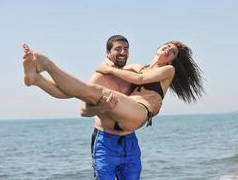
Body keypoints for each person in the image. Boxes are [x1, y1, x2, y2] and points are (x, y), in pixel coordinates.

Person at [22, 35, 147, 179]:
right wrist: (102, 107)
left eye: (126, 49)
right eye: (118, 49)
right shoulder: (100, 77)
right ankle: (40, 74)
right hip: (106, 142)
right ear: (108, 53)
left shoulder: (131, 76)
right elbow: (83, 110)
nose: (123, 52)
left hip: (130, 142)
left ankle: (37, 79)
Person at [23, 40, 203, 132]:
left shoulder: (168, 70)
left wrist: (110, 70)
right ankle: (37, 80)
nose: (168, 50)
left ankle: (47, 64)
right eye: (167, 46)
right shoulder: (140, 66)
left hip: (140, 112)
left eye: (172, 52)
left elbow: (139, 80)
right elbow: (118, 67)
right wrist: (106, 65)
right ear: (159, 48)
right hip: (122, 116)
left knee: (95, 91)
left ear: (172, 59)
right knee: (86, 92)